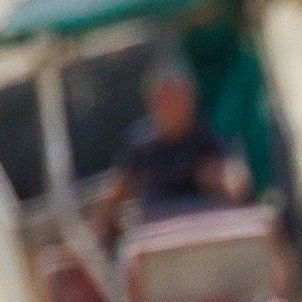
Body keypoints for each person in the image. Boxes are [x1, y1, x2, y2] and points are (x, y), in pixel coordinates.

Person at [102, 63, 248, 227]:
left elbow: (234, 179)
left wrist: (223, 181)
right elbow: (116, 191)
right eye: (166, 100)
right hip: (158, 226)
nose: (173, 106)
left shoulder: (207, 136)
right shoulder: (141, 144)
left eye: (178, 98)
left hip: (204, 223)